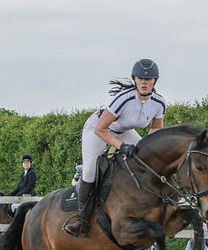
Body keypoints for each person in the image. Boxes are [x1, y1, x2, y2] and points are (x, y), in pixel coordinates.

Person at [63, 58, 166, 237]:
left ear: (154, 81)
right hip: (97, 129)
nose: (144, 82)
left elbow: (156, 129)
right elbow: (100, 129)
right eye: (140, 78)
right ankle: (81, 219)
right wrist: (121, 146)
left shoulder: (159, 103)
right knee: (90, 171)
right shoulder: (124, 99)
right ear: (134, 80)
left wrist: (149, 148)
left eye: (148, 79)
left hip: (124, 131)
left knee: (146, 159)